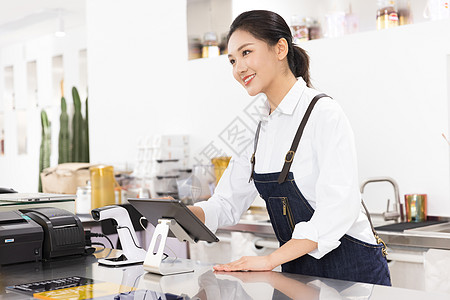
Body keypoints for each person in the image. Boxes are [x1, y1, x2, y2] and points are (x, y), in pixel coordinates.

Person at [189, 10, 391, 286]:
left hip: (353, 273)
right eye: (233, 60)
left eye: (246, 53)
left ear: (280, 48)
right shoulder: (256, 127)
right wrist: (184, 216)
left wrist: (270, 260)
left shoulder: (323, 112)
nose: (238, 68)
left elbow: (339, 207)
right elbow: (226, 202)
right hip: (298, 274)